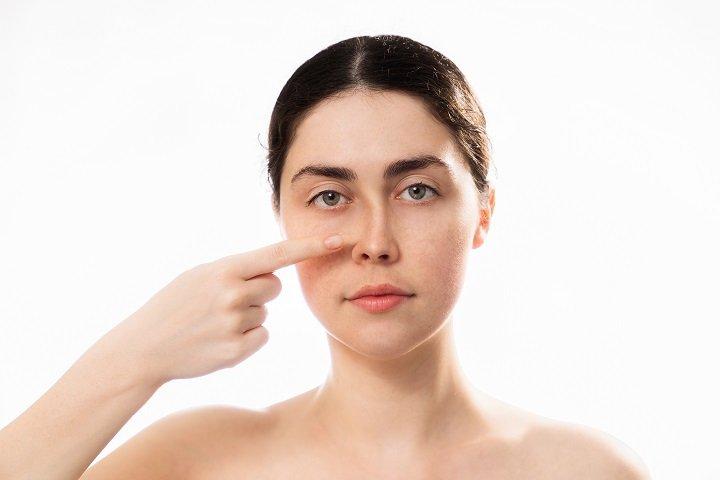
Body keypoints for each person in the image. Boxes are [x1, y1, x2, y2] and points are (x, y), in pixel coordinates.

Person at [0, 34, 651, 479]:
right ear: (282, 216)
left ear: (482, 211)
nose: (375, 242)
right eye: (331, 196)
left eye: (416, 190)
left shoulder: (585, 471)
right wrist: (134, 358)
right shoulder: (198, 462)